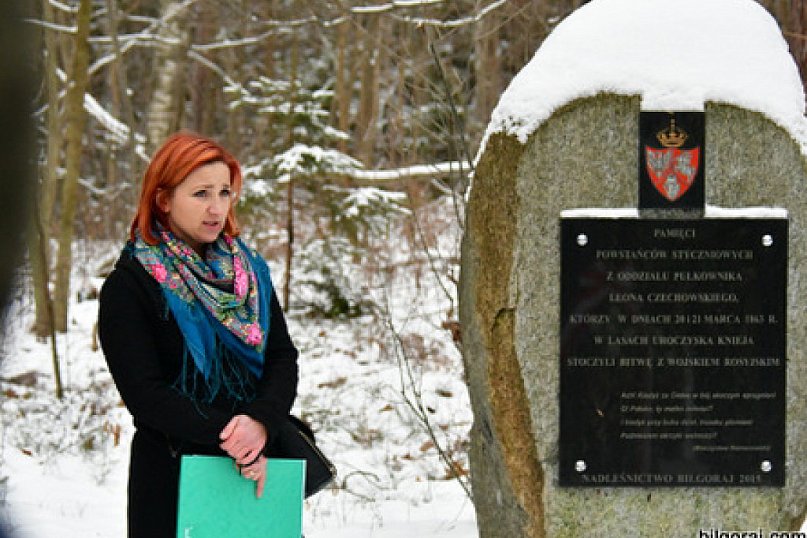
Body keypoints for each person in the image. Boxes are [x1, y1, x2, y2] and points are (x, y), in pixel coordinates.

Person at [98, 132, 299, 537]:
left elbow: (281, 357)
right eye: (201, 193)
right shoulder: (130, 285)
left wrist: (260, 424)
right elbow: (145, 394)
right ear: (164, 199)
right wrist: (233, 435)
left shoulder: (249, 272)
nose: (216, 208)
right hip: (175, 476)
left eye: (225, 193)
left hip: (259, 467)